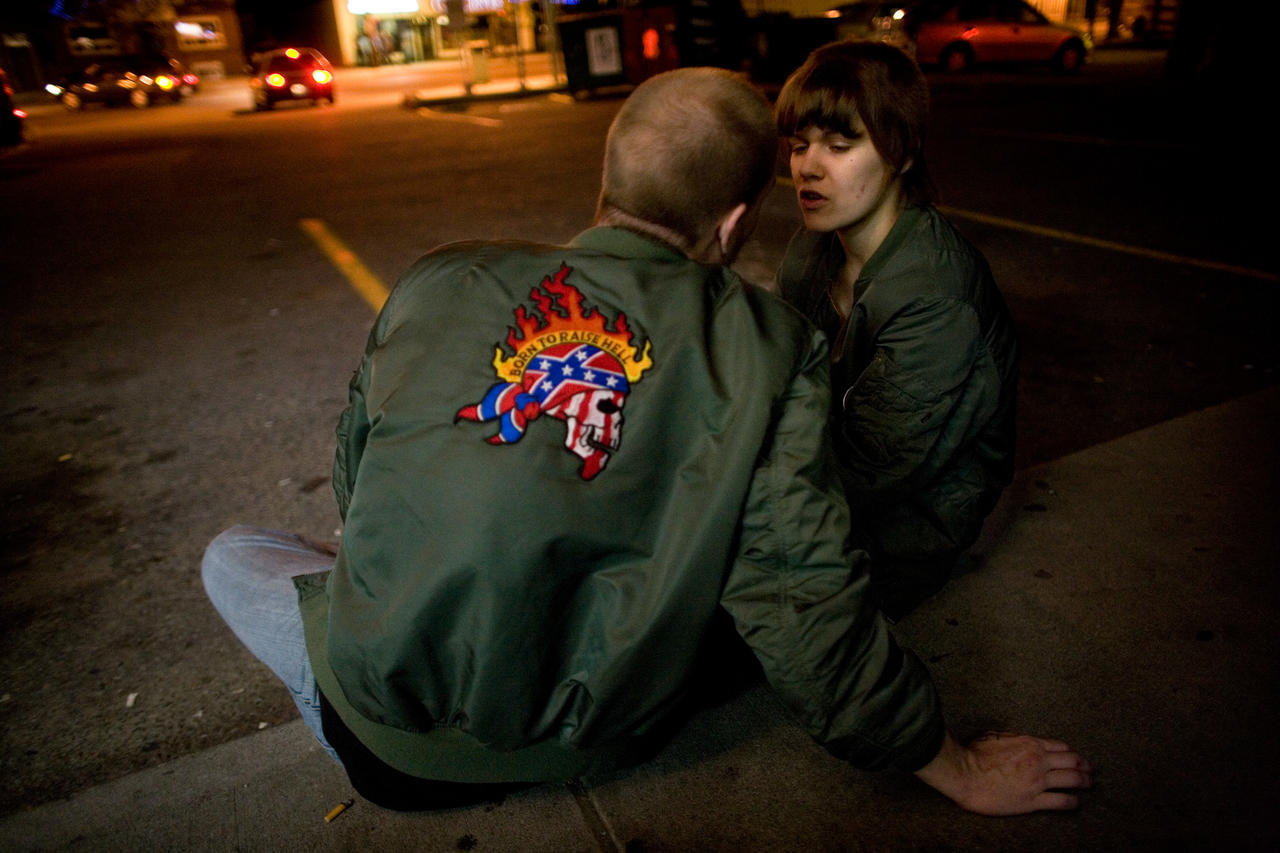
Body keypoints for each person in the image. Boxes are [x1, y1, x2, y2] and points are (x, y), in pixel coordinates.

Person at [203, 67, 1087, 816]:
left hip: (379, 734)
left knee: (232, 553)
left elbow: (359, 476)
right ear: (735, 224)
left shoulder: (442, 276)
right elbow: (802, 600)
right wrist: (955, 765)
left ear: (608, 178)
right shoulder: (769, 346)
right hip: (581, 736)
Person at [775, 40, 1020, 621]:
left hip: (913, 521)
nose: (808, 166)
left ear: (902, 156)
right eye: (798, 145)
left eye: (839, 145)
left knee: (729, 609)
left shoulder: (933, 293)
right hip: (830, 480)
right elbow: (776, 379)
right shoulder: (810, 253)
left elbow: (871, 471)